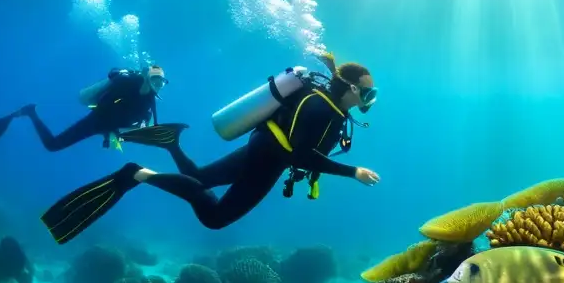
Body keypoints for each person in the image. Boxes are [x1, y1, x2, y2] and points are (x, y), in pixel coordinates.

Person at [38, 55, 381, 244]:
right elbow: (302, 155)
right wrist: (353, 172)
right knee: (215, 218)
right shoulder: (325, 110)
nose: (369, 99)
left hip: (262, 145)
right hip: (270, 159)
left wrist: (332, 61)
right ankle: (137, 174)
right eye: (367, 93)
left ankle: (171, 144)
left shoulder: (328, 103)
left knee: (198, 176)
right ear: (349, 89)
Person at [0, 65, 170, 164]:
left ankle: (31, 113)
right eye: (155, 80)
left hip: (110, 130)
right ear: (145, 77)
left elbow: (142, 127)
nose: (158, 85)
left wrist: (118, 135)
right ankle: (31, 113)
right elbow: (85, 98)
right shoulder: (125, 84)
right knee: (52, 145)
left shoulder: (150, 103)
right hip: (96, 121)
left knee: (56, 147)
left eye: (162, 82)